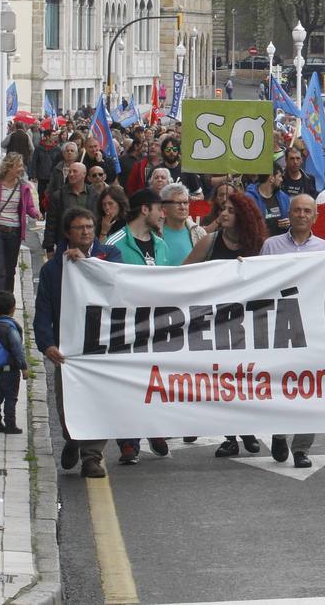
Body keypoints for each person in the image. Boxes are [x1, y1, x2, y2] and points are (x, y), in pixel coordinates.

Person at [35, 207, 119, 478]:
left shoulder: (110, 255)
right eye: (79, 228)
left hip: (102, 344)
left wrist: (86, 263)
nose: (85, 232)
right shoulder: (52, 269)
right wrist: (46, 343)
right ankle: (73, 437)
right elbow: (44, 309)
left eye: (89, 227)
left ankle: (92, 457)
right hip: (68, 348)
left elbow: (117, 283)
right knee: (68, 403)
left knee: (101, 401)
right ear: (68, 234)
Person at [184, 191, 267, 457]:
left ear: (243, 215)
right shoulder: (209, 242)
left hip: (248, 323)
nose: (224, 214)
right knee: (223, 380)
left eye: (230, 210)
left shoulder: (257, 245)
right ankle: (232, 435)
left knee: (246, 378)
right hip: (215, 321)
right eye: (223, 209)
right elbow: (182, 275)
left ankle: (247, 429)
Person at [105, 189, 179, 463]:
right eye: (160, 208)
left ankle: (154, 428)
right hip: (126, 326)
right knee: (129, 383)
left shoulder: (161, 245)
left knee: (157, 380)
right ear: (145, 209)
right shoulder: (115, 243)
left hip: (157, 325)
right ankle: (128, 440)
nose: (164, 213)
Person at [260, 194, 325, 468]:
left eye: (307, 211)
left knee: (308, 386)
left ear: (315, 217)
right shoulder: (270, 245)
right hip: (278, 325)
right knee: (278, 383)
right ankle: (278, 432)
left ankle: (302, 448)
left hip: (311, 328)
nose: (302, 215)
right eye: (297, 210)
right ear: (290, 214)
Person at [0, 153, 41, 291]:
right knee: (0, 269)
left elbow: (29, 207)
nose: (22, 168)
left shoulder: (23, 187)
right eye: (19, 165)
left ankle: (7, 301)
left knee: (10, 270)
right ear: (9, 167)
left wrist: (36, 213)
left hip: (14, 232)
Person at [0, 291, 28, 434]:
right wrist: (24, 367)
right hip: (10, 370)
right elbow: (17, 349)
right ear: (13, 308)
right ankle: (10, 424)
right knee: (11, 397)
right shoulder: (10, 327)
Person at [157, 182, 207, 264]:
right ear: (164, 206)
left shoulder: (199, 233)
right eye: (177, 203)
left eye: (185, 202)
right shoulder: (153, 233)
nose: (183, 207)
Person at [247, 167, 291, 238]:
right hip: (258, 244)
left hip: (279, 245)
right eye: (279, 176)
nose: (281, 179)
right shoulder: (249, 198)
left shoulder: (284, 197)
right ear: (271, 178)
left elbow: (291, 220)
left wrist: (289, 223)